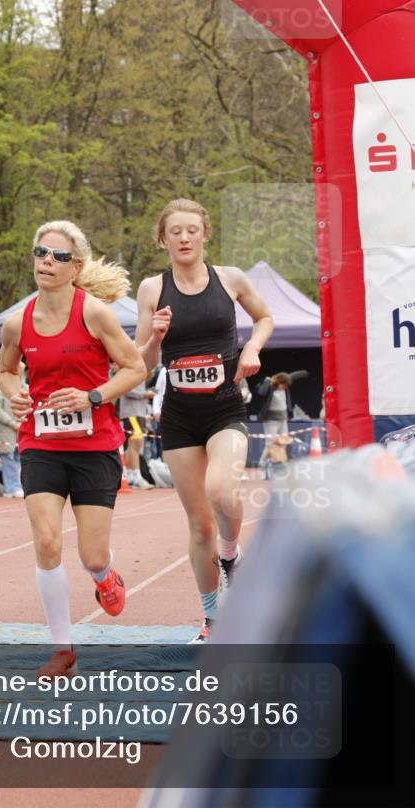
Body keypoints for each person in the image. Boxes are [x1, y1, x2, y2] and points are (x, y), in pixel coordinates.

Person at [0, 220, 146, 678]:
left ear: (76, 267)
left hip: (94, 445)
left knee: (92, 556)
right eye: (41, 252)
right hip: (40, 442)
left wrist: (93, 396)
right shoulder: (17, 322)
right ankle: (63, 650)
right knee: (46, 542)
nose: (47, 261)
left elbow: (135, 368)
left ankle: (105, 576)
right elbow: (6, 371)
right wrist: (15, 393)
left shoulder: (95, 314)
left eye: (59, 256)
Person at [135, 198, 273, 640]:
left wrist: (252, 349)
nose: (184, 238)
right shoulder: (151, 289)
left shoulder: (230, 279)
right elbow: (140, 363)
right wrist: (155, 338)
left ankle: (230, 555)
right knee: (200, 526)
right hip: (179, 417)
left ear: (205, 234)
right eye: (175, 231)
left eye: (191, 230)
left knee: (221, 491)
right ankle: (212, 618)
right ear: (163, 239)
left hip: (225, 407)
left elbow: (264, 318)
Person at [117, 380, 154, 489]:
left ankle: (131, 476)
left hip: (138, 413)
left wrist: (147, 393)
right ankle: (137, 477)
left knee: (133, 446)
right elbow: (126, 390)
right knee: (135, 445)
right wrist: (145, 394)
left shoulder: (142, 375)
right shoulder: (129, 373)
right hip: (132, 413)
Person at [0, 384, 24, 498]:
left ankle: (16, 486)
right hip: (7, 429)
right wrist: (11, 423)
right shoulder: (2, 389)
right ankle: (11, 488)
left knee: (19, 458)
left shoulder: (25, 387)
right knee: (8, 457)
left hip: (21, 428)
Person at [256, 370, 309, 437]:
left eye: (286, 386)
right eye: (284, 386)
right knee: (271, 441)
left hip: (283, 419)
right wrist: (267, 381)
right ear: (279, 382)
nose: (285, 388)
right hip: (271, 420)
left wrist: (306, 372)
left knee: (284, 439)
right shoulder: (270, 386)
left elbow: (295, 375)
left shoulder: (285, 381)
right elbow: (261, 393)